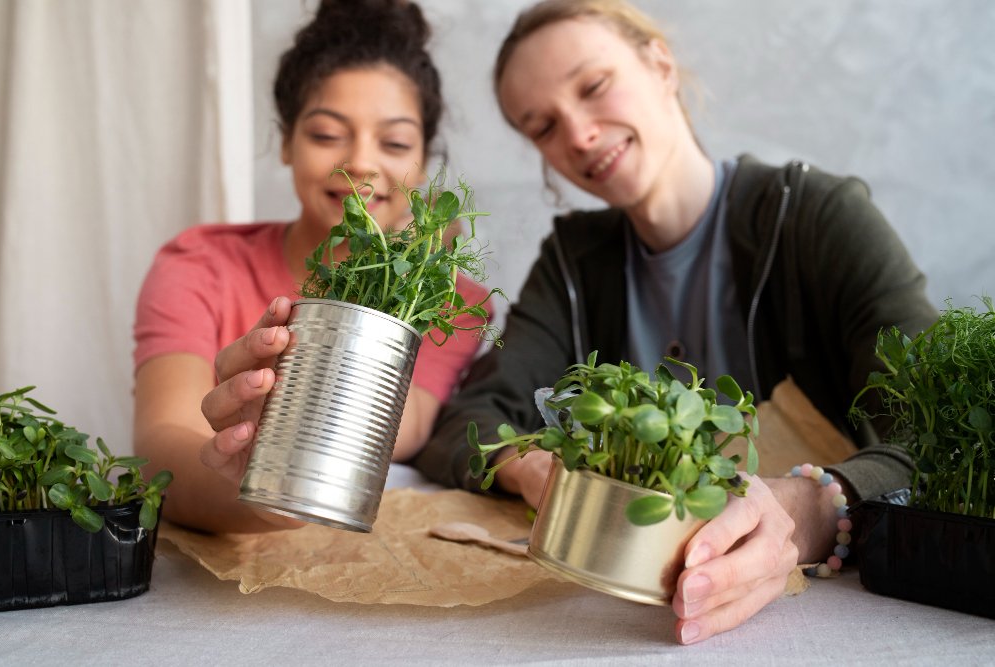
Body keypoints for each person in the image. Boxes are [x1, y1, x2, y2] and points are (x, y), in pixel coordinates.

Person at [412, 0, 937, 645]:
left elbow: (935, 437)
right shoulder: (575, 262)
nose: (576, 135)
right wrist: (529, 464)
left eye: (594, 86)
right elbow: (471, 416)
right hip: (625, 624)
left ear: (659, 64)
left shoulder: (817, 219)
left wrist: (808, 507)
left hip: (835, 625)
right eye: (543, 126)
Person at [133, 0, 491, 534]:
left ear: (423, 162)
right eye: (327, 134)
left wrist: (422, 259)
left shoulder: (451, 296)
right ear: (285, 143)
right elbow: (161, 446)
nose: (362, 162)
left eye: (394, 142)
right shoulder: (199, 265)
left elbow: (406, 423)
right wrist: (256, 487)